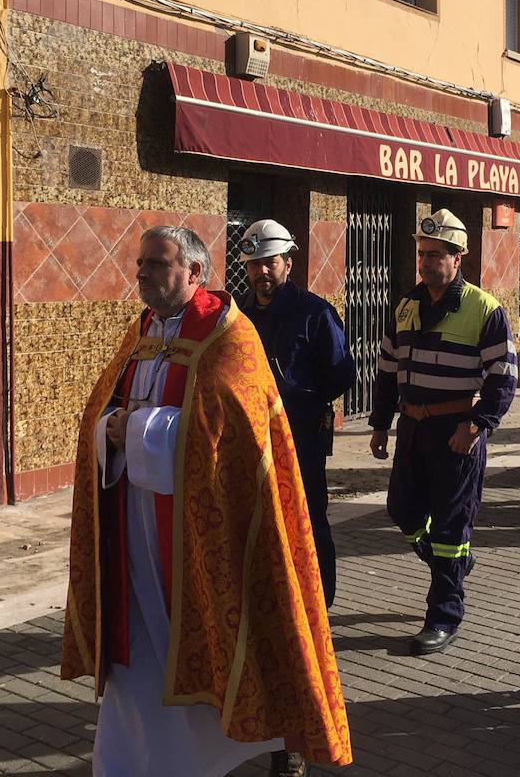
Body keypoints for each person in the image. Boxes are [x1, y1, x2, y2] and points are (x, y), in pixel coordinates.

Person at [62, 226, 351, 777]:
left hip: (208, 528)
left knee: (219, 634)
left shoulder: (229, 334)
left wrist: (139, 430)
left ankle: (244, 744)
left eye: (157, 263)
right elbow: (103, 408)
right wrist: (109, 429)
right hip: (137, 520)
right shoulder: (143, 330)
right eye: (140, 261)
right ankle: (132, 759)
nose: (142, 272)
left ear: (195, 273)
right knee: (142, 649)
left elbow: (233, 434)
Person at [369, 209, 516, 656]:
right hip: (413, 427)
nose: (426, 262)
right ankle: (451, 565)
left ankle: (443, 615)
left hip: (456, 432)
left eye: (436, 255)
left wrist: (476, 426)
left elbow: (502, 375)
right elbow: (386, 369)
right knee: (401, 509)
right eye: (422, 254)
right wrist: (380, 423)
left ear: (458, 259)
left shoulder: (484, 309)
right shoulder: (407, 305)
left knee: (452, 528)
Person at [235, 219, 357, 610]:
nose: (261, 271)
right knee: (259, 519)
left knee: (307, 519)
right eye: (254, 264)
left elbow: (341, 375)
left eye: (269, 262)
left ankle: (320, 603)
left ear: (289, 262)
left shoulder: (316, 314)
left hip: (300, 436)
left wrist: (298, 397)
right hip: (250, 437)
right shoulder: (237, 314)